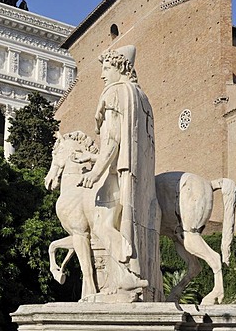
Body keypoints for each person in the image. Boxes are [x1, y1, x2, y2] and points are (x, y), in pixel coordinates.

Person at [77, 45, 160, 297]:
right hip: (141, 179)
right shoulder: (141, 97)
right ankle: (141, 280)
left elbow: (112, 140)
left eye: (105, 68)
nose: (102, 75)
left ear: (120, 67)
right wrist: (94, 156)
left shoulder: (114, 94)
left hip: (118, 173)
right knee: (135, 225)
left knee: (102, 226)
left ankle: (126, 276)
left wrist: (95, 171)